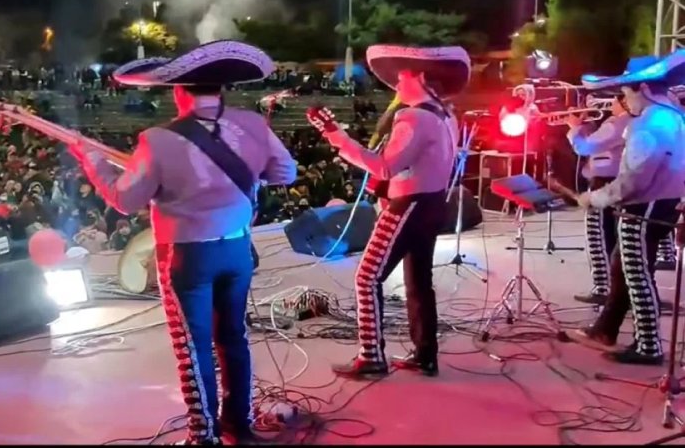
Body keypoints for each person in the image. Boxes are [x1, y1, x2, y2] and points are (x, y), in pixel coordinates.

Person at [69, 43, 297, 445]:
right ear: (221, 90)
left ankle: (203, 435)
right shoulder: (253, 125)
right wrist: (242, 181)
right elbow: (285, 172)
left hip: (187, 254)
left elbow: (125, 200)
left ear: (178, 91)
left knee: (194, 347)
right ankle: (238, 426)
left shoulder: (158, 139)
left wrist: (94, 162)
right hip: (237, 249)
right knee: (233, 337)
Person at [305, 45, 469, 377]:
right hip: (434, 203)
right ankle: (425, 355)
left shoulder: (413, 116)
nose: (396, 81)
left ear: (421, 77)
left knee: (366, 277)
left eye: (403, 75)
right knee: (419, 281)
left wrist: (336, 137)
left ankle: (371, 357)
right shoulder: (446, 114)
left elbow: (383, 167)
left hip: (407, 205)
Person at [571, 50, 685, 365]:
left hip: (642, 208)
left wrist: (594, 198)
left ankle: (648, 345)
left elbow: (631, 182)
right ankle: (605, 329)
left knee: (636, 274)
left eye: (626, 91)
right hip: (663, 203)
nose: (624, 99)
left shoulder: (648, 123)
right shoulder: (673, 115)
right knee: (625, 269)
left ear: (643, 89)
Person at [565, 92, 636, 305]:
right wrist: (584, 124)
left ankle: (603, 288)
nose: (609, 105)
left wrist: (573, 127)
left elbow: (585, 147)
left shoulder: (618, 123)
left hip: (604, 183)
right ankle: (611, 290)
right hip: (611, 180)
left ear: (623, 102)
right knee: (609, 238)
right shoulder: (625, 122)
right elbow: (595, 141)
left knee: (598, 237)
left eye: (613, 100)